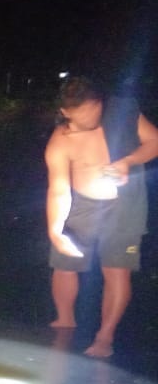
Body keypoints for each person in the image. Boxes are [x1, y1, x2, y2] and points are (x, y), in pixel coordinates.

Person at [45, 76, 158, 357]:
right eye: (82, 111)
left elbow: (154, 142)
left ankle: (105, 337)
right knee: (64, 261)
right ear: (65, 112)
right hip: (82, 203)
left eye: (95, 107)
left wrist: (128, 162)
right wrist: (55, 231)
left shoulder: (123, 112)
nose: (92, 115)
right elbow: (59, 190)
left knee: (116, 269)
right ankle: (65, 319)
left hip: (124, 203)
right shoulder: (60, 143)